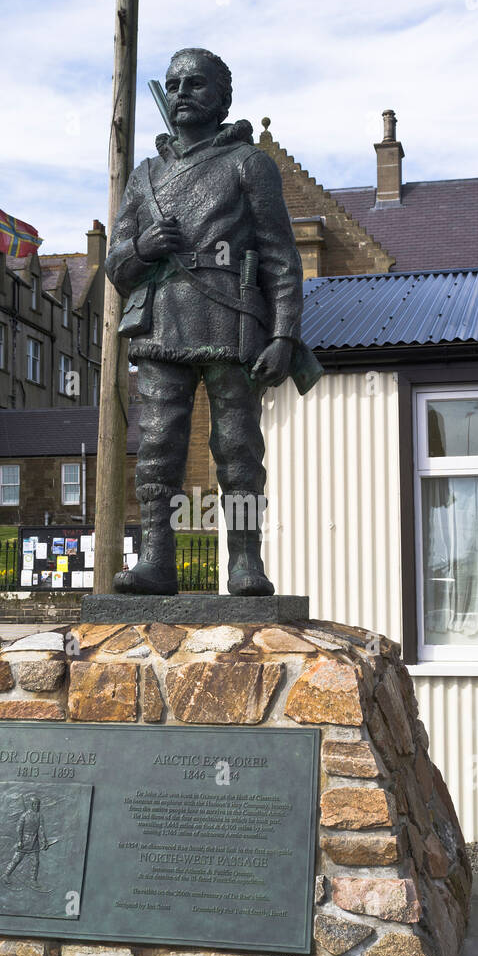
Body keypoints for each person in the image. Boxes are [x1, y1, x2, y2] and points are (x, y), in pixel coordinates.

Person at [105, 47, 319, 596]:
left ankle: (246, 561)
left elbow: (280, 258)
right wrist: (143, 246)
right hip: (160, 327)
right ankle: (156, 560)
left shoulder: (249, 164)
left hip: (231, 325)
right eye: (173, 84)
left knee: (239, 450)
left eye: (195, 84)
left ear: (222, 98)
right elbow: (115, 266)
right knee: (157, 448)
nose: (180, 93)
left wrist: (284, 335)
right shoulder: (144, 176)